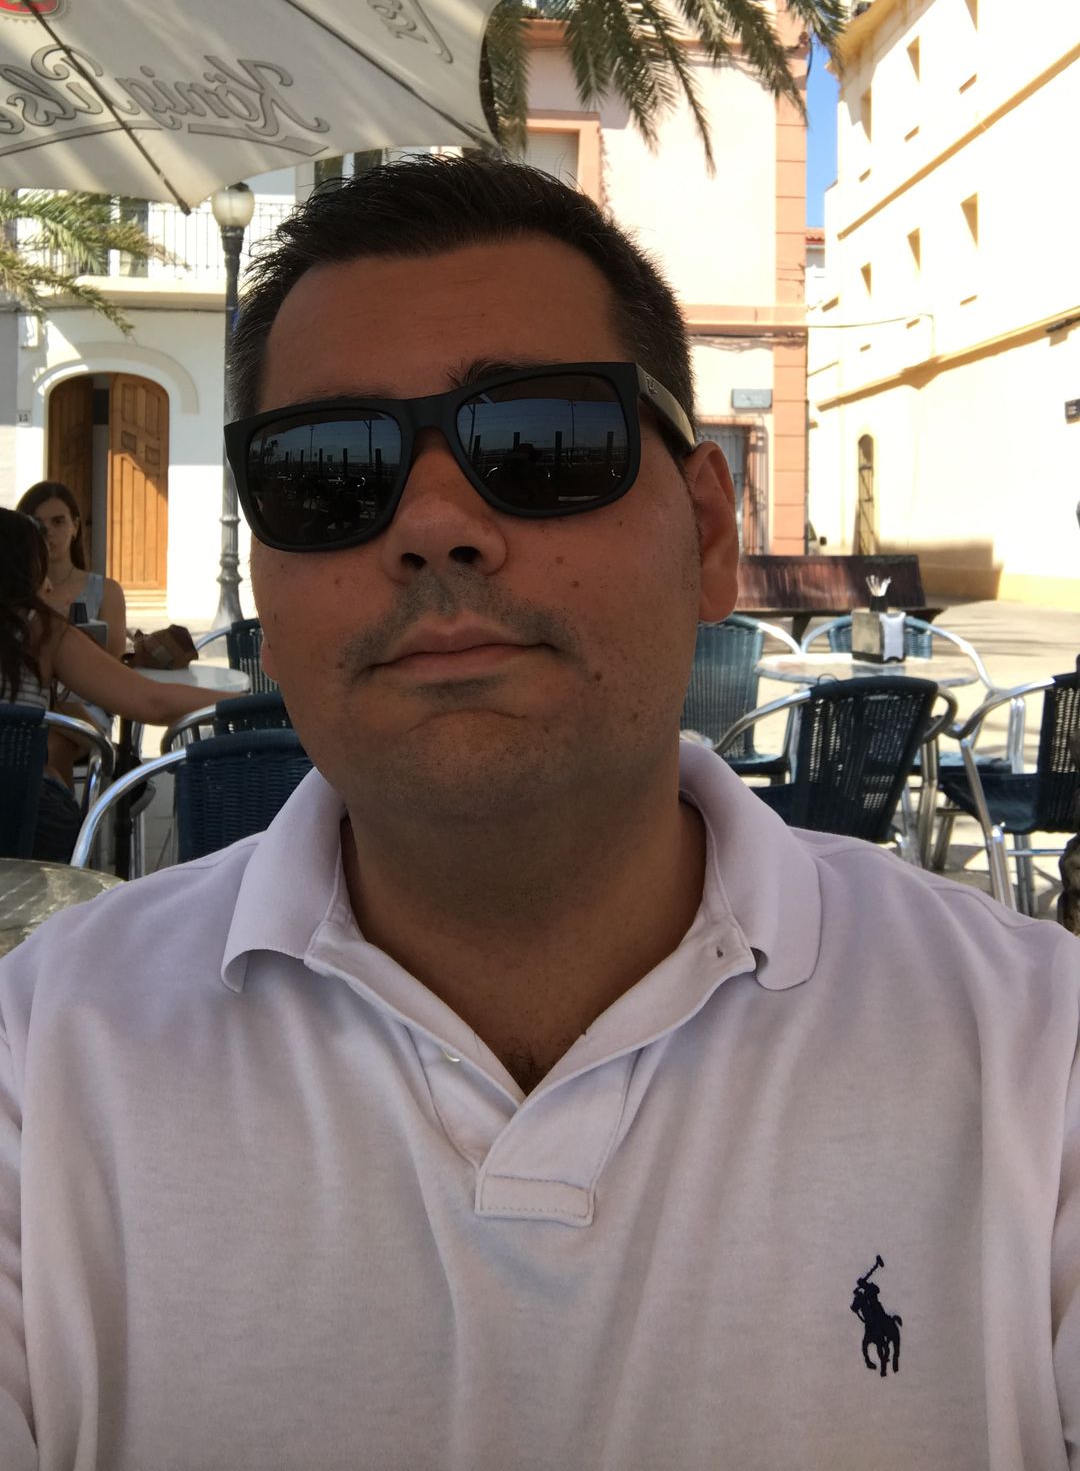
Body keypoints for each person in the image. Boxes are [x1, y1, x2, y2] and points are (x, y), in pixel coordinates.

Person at [0, 156, 1076, 1471]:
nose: (434, 525)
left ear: (708, 533)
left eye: (541, 443)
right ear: (267, 582)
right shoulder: (41, 1058)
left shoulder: (1037, 1057)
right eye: (328, 472)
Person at [0, 508, 204, 861]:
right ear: (24, 571)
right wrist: (242, 700)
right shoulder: (41, 631)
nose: (48, 583)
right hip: (22, 831)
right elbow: (152, 701)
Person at [15, 479, 127, 788]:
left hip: (87, 702)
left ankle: (58, 816)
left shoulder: (106, 590)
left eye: (58, 521)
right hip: (28, 701)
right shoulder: (15, 591)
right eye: (38, 524)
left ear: (75, 526)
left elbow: (112, 665)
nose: (48, 532)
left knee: (54, 742)